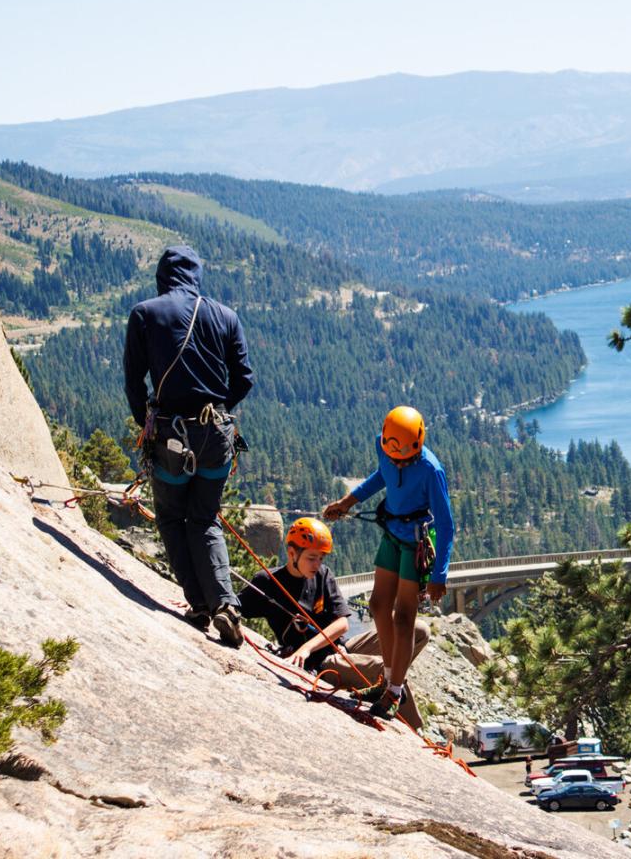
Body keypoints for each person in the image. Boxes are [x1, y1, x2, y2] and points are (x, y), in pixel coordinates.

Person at [124, 246, 253, 647]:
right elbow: (244, 378)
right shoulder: (225, 316)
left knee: (171, 517)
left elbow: (133, 380)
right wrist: (217, 412)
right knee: (205, 518)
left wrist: (145, 421)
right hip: (217, 435)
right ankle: (225, 605)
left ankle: (199, 603)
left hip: (170, 435)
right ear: (197, 276)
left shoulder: (145, 314)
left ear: (162, 276)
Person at [324, 405, 454, 721]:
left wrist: (440, 574)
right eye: (393, 456)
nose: (397, 461)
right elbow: (381, 475)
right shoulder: (388, 445)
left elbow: (447, 524)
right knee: (378, 605)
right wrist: (346, 503)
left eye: (403, 459)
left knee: (404, 616)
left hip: (416, 542)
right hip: (393, 534)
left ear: (418, 446)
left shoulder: (430, 469)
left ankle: (395, 692)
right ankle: (387, 678)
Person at [238, 517, 428, 727]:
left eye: (321, 558)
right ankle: (414, 728)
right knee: (382, 668)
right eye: (312, 558)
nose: (317, 564)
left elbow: (342, 624)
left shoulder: (322, 574)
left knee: (420, 630)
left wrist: (308, 647)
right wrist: (305, 651)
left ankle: (383, 688)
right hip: (321, 663)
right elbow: (236, 606)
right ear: (292, 553)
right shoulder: (268, 582)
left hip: (341, 647)